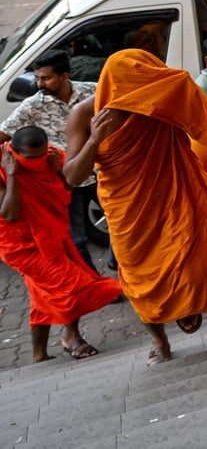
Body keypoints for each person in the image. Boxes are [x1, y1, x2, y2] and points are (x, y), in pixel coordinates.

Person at [64, 49, 207, 365]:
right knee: (139, 278)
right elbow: (73, 175)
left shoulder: (157, 99)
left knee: (189, 261)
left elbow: (200, 113)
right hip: (126, 208)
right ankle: (158, 339)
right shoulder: (85, 114)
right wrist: (95, 140)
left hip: (171, 193)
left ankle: (186, 302)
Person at [0, 126, 123, 364]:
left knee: (43, 296)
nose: (36, 162)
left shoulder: (53, 156)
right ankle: (71, 335)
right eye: (29, 159)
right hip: (20, 246)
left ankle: (39, 354)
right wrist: (12, 173)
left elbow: (66, 193)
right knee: (73, 286)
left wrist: (57, 170)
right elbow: (9, 214)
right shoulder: (3, 165)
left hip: (53, 233)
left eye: (40, 156)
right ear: (13, 152)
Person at [0, 49, 100, 273]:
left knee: (122, 224)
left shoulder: (93, 92)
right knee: (77, 238)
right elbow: (4, 134)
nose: (39, 84)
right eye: (37, 78)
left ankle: (117, 265)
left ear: (64, 76)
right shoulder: (32, 106)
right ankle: (93, 284)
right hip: (65, 179)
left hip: (100, 173)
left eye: (46, 78)